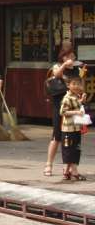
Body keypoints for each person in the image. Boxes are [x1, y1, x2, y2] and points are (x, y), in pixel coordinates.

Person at [45, 41, 87, 177]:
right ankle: (48, 165)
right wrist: (64, 65)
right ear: (63, 57)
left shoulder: (76, 69)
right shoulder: (57, 66)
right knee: (57, 136)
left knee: (72, 138)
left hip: (74, 106)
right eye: (68, 56)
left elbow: (80, 86)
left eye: (72, 56)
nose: (72, 58)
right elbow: (56, 75)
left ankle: (68, 168)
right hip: (60, 106)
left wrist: (83, 94)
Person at [59, 75, 87, 181]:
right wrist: (76, 112)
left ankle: (67, 171)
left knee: (75, 149)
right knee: (69, 150)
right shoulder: (67, 98)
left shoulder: (75, 96)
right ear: (68, 85)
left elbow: (75, 106)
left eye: (78, 84)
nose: (76, 86)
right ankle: (73, 172)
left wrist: (81, 101)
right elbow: (62, 112)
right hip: (68, 129)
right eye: (73, 84)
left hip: (76, 128)